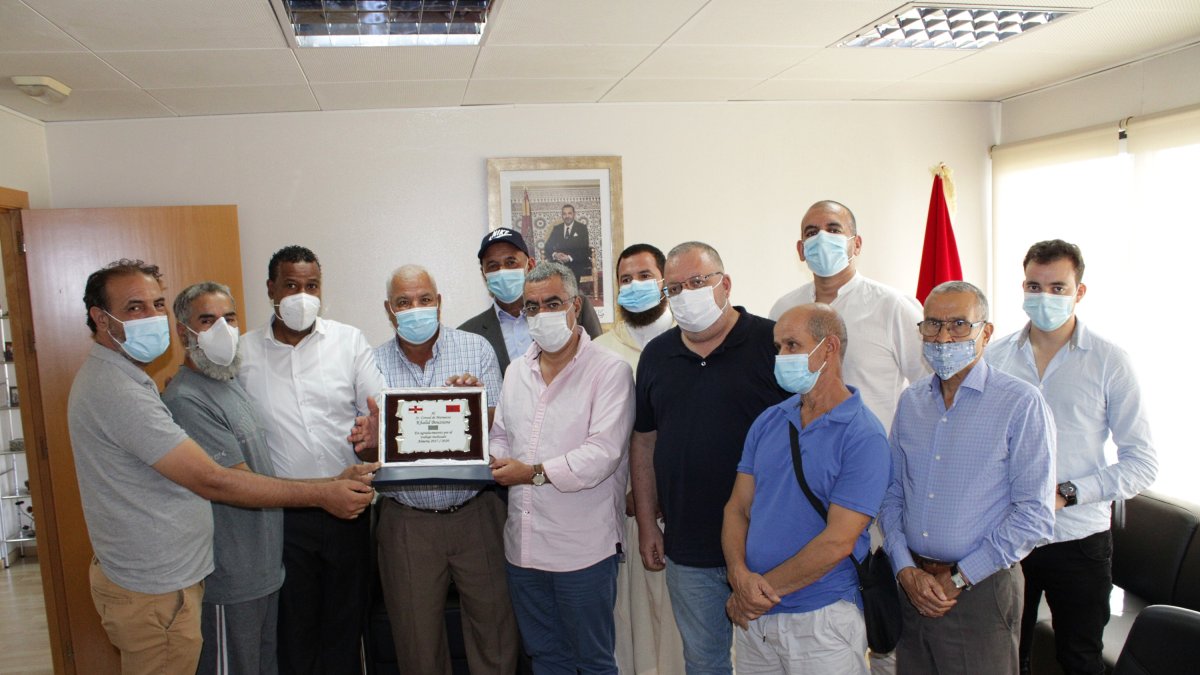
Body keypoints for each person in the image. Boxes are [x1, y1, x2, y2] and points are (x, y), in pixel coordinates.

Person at [68, 260, 374, 675]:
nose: (151, 316)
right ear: (101, 319)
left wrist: (332, 480)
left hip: (226, 574)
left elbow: (253, 468)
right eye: (135, 308)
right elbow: (216, 480)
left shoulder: (217, 384)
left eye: (157, 303)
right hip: (169, 585)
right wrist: (323, 493)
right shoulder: (147, 393)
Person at [986, 240, 1157, 675]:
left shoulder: (1109, 361)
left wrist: (1067, 493)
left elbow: (1142, 462)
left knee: (1079, 660)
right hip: (1006, 537)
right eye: (1034, 285)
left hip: (1079, 541)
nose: (1044, 297)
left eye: (1058, 287)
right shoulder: (995, 357)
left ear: (1079, 292)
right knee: (1005, 655)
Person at [879, 281, 1056, 675]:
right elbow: (892, 494)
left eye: (959, 324)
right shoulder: (911, 402)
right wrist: (903, 566)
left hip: (981, 588)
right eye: (933, 325)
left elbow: (1034, 515)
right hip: (912, 586)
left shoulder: (1021, 404)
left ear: (986, 332)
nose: (943, 337)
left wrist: (958, 578)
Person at [630, 241, 788, 674]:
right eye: (675, 287)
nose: (687, 294)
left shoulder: (772, 342)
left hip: (766, 545)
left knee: (770, 663)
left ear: (726, 284)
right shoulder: (657, 355)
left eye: (698, 282)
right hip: (689, 546)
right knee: (703, 662)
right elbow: (643, 442)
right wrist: (647, 525)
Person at [237, 245, 385, 675]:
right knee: (293, 632)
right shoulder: (243, 354)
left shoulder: (349, 341)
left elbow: (379, 417)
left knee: (345, 628)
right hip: (284, 515)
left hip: (347, 508)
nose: (303, 295)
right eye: (291, 285)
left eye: (312, 285)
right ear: (270, 289)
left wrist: (373, 437)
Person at [722, 304, 891, 674]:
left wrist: (756, 593)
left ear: (828, 348)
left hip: (822, 622)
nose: (781, 356)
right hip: (758, 622)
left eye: (792, 345)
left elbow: (838, 542)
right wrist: (738, 575)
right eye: (778, 347)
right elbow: (737, 508)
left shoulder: (864, 436)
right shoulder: (769, 421)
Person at [371, 264, 518, 675]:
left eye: (424, 299)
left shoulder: (476, 350)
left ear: (439, 302)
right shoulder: (370, 363)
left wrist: (474, 403)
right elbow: (367, 444)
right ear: (389, 309)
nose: (415, 308)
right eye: (404, 302)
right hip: (407, 521)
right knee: (417, 644)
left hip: (476, 514)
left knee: (496, 636)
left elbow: (502, 429)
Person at [489, 261, 635, 674]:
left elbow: (602, 455)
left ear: (576, 305)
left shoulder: (609, 372)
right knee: (546, 657)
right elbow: (501, 434)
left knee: (593, 660)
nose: (542, 314)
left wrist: (531, 472)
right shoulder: (517, 371)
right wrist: (493, 459)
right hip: (524, 548)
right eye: (532, 307)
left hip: (583, 551)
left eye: (553, 303)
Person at [593, 244, 685, 675]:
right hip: (621, 512)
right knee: (629, 628)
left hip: (687, 511)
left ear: (665, 281)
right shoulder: (598, 350)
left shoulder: (691, 337)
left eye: (645, 276)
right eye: (625, 279)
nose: (634, 286)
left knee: (684, 630)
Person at [768, 200, 926, 432]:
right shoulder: (784, 309)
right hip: (800, 450)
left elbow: (927, 386)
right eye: (812, 232)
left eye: (833, 230)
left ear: (857, 244)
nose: (822, 238)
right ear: (801, 250)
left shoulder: (893, 306)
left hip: (871, 450)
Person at [460, 227, 602, 375]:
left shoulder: (573, 306)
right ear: (484, 275)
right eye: (493, 266)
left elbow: (599, 361)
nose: (502, 271)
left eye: (511, 262)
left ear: (531, 265)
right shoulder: (469, 334)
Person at [543, 204, 593, 281]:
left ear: (574, 214)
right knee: (554, 273)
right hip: (559, 262)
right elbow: (547, 246)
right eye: (564, 214)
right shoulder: (557, 229)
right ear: (562, 215)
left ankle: (573, 292)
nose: (567, 216)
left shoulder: (582, 228)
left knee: (573, 273)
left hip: (576, 261)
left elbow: (584, 249)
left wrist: (569, 257)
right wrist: (555, 255)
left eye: (569, 213)